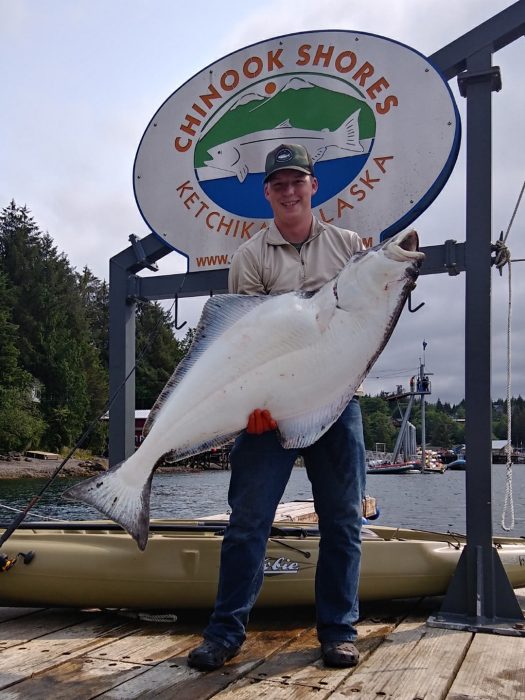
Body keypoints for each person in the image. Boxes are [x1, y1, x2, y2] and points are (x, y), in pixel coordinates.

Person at [187, 143, 366, 671]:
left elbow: (364, 325)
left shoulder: (351, 247)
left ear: (314, 186)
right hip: (269, 410)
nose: (289, 190)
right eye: (279, 183)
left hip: (337, 404)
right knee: (247, 523)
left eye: (298, 181)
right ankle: (224, 634)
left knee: (343, 521)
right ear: (266, 192)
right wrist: (254, 406)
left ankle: (338, 631)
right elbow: (246, 346)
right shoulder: (249, 258)